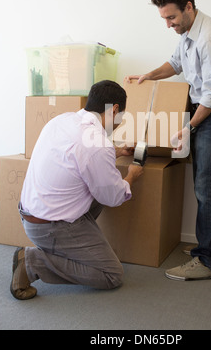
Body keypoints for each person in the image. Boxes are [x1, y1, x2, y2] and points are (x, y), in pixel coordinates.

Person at [126, 0, 211, 280]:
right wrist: (149, 75)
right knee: (207, 184)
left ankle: (208, 261)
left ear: (188, 7)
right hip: (203, 114)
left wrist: (187, 127)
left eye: (171, 17)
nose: (168, 24)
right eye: (164, 18)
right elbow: (176, 63)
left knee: (207, 186)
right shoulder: (189, 32)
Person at [10, 80, 143, 300]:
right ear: (115, 110)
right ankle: (33, 262)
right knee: (112, 275)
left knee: (100, 180)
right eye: (120, 118)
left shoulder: (61, 120)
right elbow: (114, 196)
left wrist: (115, 151)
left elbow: (78, 156)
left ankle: (73, 244)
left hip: (31, 216)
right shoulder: (97, 143)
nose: (119, 123)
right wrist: (131, 177)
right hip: (49, 227)